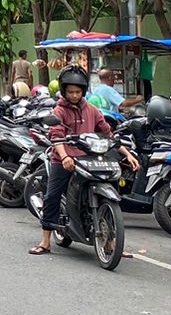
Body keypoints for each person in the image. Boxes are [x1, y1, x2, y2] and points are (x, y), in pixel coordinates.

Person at [30, 65, 137, 255]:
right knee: (52, 195)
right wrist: (64, 157)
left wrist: (127, 154)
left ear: (83, 91)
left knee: (113, 184)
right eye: (70, 92)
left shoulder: (92, 110)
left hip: (89, 158)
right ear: (64, 91)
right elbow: (56, 136)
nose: (74, 95)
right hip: (64, 159)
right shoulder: (59, 111)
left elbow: (108, 134)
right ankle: (45, 240)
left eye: (78, 92)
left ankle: (112, 243)